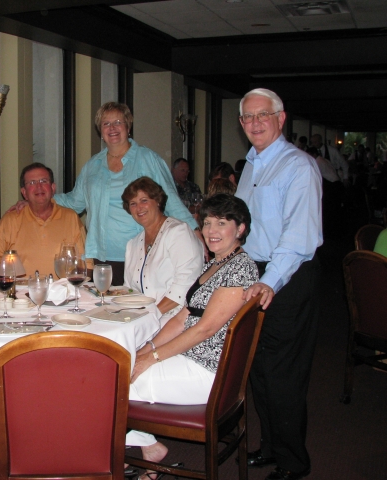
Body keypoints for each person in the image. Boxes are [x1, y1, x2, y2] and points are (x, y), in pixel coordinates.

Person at [126, 194, 258, 480]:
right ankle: (148, 450)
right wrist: (145, 348)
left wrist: (152, 358)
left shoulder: (240, 269)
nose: (211, 230)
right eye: (208, 222)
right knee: (123, 363)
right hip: (188, 357)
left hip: (209, 372)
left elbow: (204, 329)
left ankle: (107, 453)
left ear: (240, 229)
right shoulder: (213, 265)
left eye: (222, 223)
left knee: (115, 382)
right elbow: (182, 318)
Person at [236, 88, 322, 480]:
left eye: (263, 115)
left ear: (281, 118)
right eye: (248, 117)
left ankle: (293, 463)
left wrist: (267, 283)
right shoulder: (251, 165)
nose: (255, 123)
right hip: (257, 275)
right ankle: (271, 447)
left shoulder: (298, 166)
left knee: (284, 374)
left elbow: (298, 239)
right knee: (259, 369)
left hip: (285, 278)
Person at [51, 102, 199, 286]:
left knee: (136, 309)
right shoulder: (92, 166)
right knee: (104, 309)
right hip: (101, 256)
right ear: (100, 130)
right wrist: (41, 200)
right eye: (106, 123)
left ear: (128, 127)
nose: (112, 128)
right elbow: (74, 201)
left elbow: (171, 200)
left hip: (143, 254)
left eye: (118, 122)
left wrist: (194, 231)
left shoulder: (148, 159)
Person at [0, 163, 91, 276]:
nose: (39, 187)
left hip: (62, 291)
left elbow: (86, 264)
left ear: (53, 188)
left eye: (44, 181)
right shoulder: (10, 220)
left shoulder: (71, 218)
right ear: (24, 192)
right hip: (20, 292)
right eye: (32, 183)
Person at [121, 177, 203, 324]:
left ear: (157, 201)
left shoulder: (178, 232)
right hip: (143, 319)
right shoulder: (132, 244)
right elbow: (129, 290)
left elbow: (186, 283)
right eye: (133, 203)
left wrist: (153, 315)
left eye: (144, 200)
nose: (139, 208)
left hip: (176, 319)